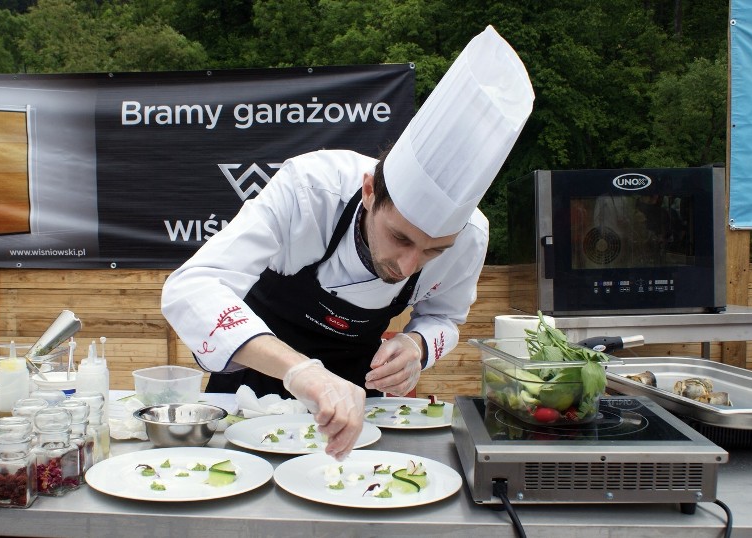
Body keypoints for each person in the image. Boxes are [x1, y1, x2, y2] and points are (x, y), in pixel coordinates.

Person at [161, 25, 534, 460]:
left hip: (360, 410)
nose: (409, 266)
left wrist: (416, 347)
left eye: (434, 251)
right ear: (369, 192)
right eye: (400, 237)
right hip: (250, 395)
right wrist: (300, 370)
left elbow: (446, 318)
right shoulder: (311, 188)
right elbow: (193, 286)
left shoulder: (471, 238)